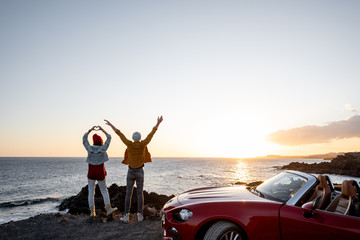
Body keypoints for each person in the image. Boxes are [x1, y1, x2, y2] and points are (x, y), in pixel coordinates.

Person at [104, 116, 163, 223]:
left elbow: (119, 134)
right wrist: (158, 123)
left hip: (130, 171)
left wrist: (111, 125)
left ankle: (126, 215)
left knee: (128, 194)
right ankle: (140, 215)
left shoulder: (129, 144)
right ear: (139, 138)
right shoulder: (143, 144)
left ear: (132, 137)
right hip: (140, 171)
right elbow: (151, 134)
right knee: (140, 194)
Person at [83, 125, 117, 218]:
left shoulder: (89, 149)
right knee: (104, 191)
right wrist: (102, 130)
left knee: (91, 193)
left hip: (91, 173)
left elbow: (84, 139)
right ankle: (108, 209)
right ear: (100, 141)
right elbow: (109, 137)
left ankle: (92, 212)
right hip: (100, 172)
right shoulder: (102, 149)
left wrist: (90, 130)